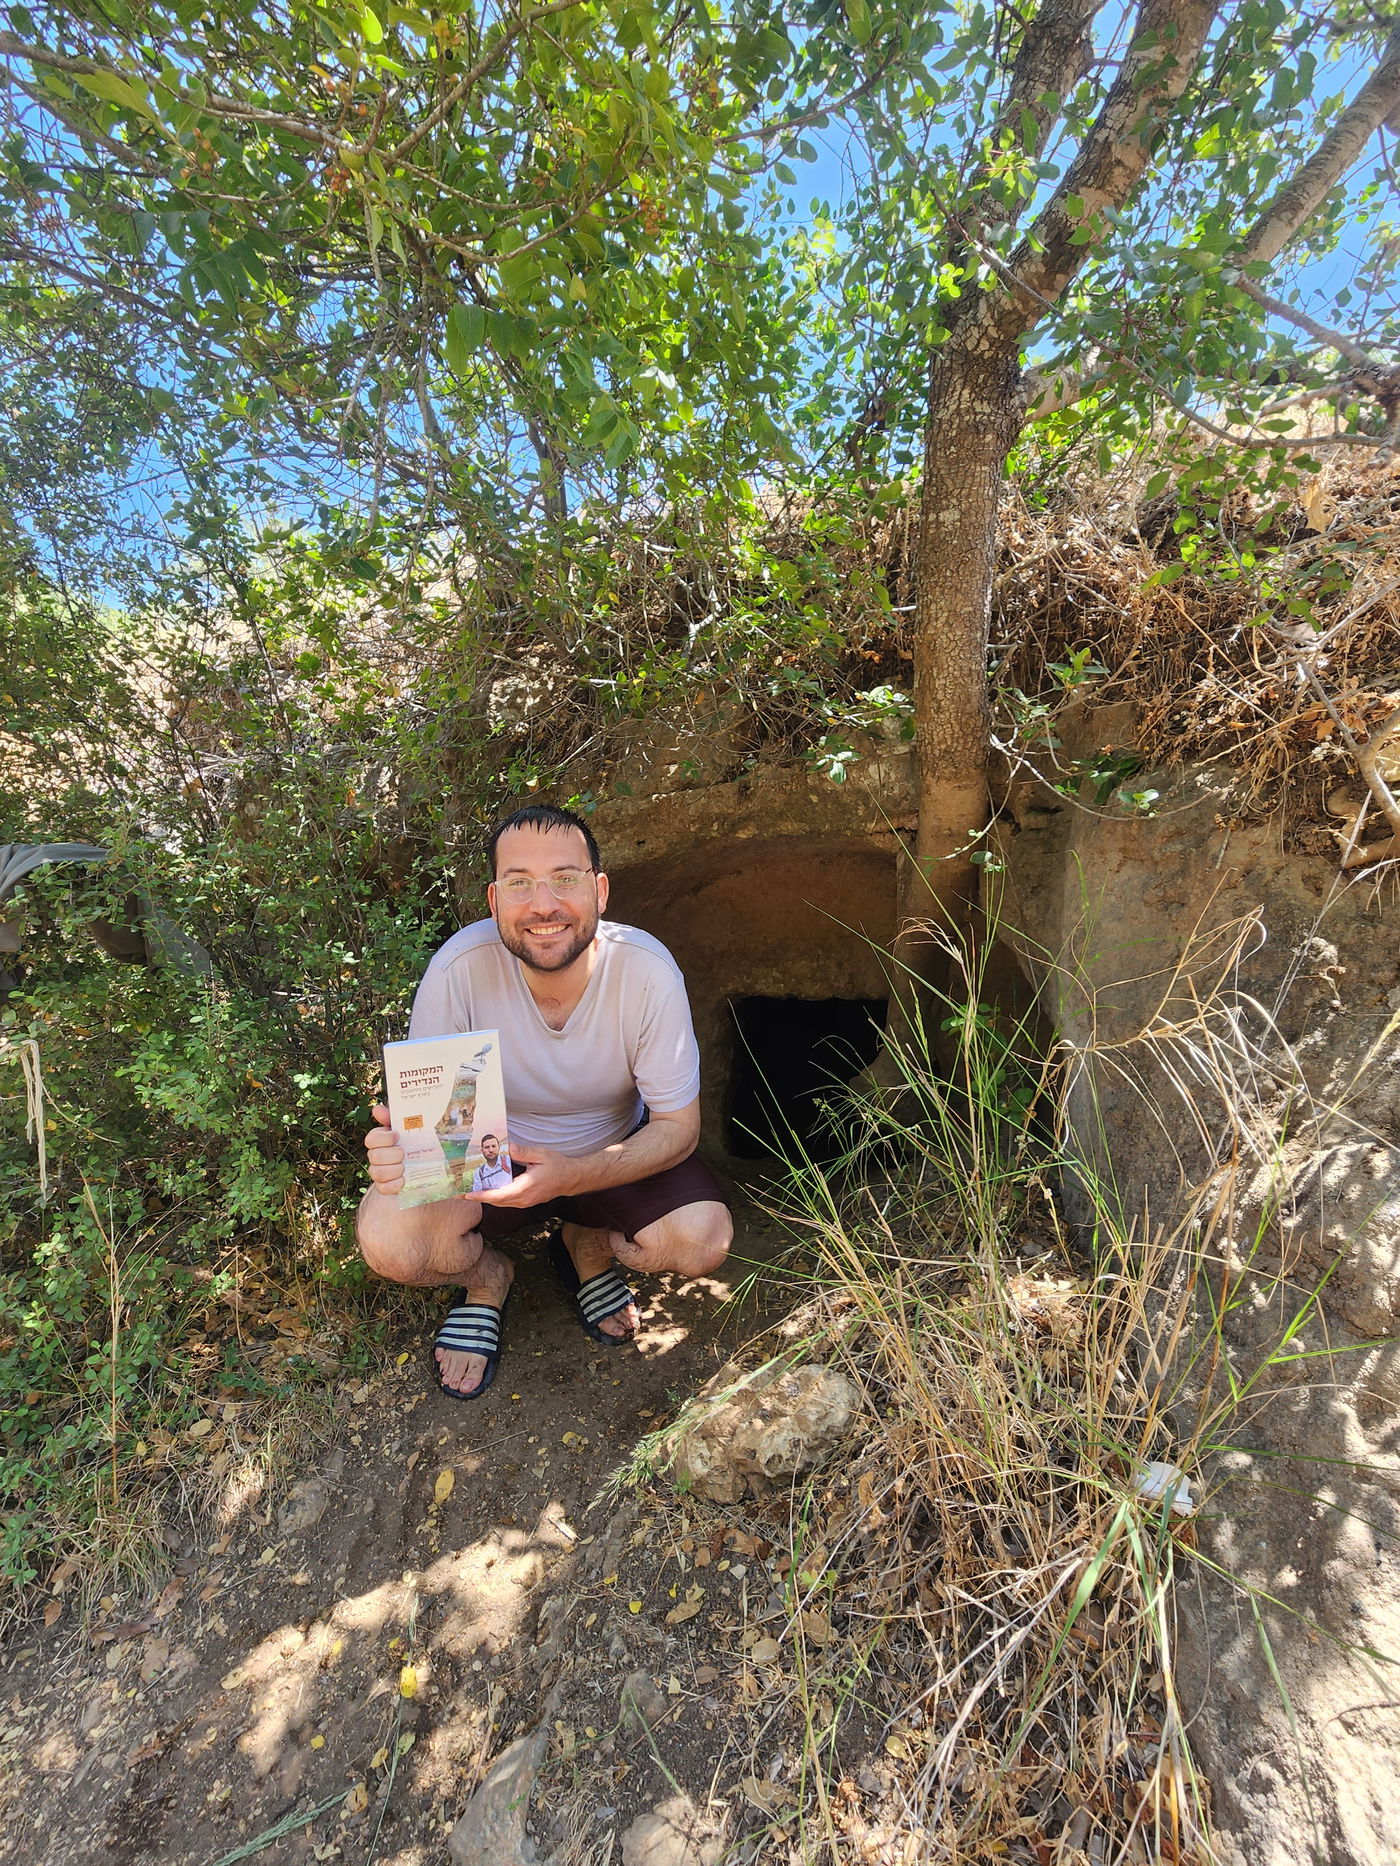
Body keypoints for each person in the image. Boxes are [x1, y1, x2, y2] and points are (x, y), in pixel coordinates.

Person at [357, 803, 733, 1399]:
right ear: (494, 900)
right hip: (490, 1160)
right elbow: (441, 1133)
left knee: (699, 1238)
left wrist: (575, 1177)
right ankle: (486, 1280)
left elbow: (678, 1127)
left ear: (600, 890)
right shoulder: (459, 968)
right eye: (520, 883)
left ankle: (585, 1240)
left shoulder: (645, 971)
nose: (543, 905)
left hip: (611, 1155)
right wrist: (405, 1154)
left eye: (565, 878)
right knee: (394, 1243)